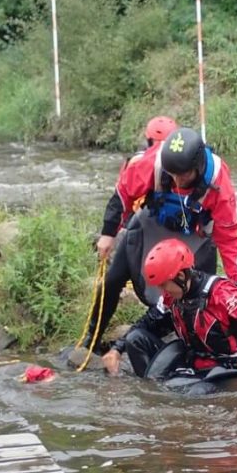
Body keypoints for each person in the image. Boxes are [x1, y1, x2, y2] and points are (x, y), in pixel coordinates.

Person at [101, 238, 237, 394]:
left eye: (163, 284)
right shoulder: (171, 297)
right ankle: (152, 390)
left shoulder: (225, 295)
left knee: (195, 393)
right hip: (194, 362)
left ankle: (169, 393)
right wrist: (117, 349)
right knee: (135, 339)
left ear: (181, 276)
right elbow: (145, 324)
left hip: (230, 368)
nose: (161, 290)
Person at [79, 115, 179, 351]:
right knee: (132, 282)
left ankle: (94, 339)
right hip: (152, 228)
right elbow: (122, 196)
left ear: (148, 139)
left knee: (116, 281)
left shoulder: (140, 161)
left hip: (151, 230)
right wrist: (110, 233)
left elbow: (120, 198)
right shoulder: (150, 162)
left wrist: (109, 233)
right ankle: (94, 340)